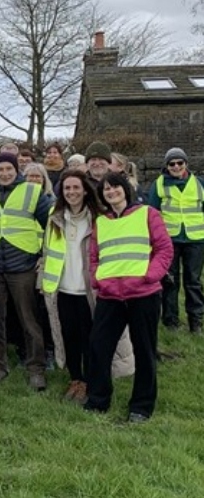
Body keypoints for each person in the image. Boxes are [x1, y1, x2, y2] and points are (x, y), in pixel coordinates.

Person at [84, 172, 173, 422]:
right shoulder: (101, 221)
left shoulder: (148, 214)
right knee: (99, 347)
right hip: (110, 296)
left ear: (125, 189)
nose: (111, 192)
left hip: (143, 294)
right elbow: (94, 257)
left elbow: (164, 249)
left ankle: (141, 406)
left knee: (144, 350)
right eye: (106, 190)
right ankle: (98, 400)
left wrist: (149, 276)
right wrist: (98, 279)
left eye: (115, 187)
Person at [40, 170, 124, 404]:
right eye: (67, 188)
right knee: (69, 336)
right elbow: (47, 251)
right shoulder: (54, 216)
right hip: (62, 288)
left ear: (85, 189)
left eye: (76, 187)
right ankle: (75, 378)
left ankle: (89, 379)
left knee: (92, 337)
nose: (71, 192)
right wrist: (43, 281)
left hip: (90, 289)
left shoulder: (99, 217)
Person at [0, 153, 53, 390]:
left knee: (29, 319)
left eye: (9, 169)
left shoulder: (32, 191)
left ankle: (36, 368)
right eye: (0, 170)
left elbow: (50, 224)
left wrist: (43, 255)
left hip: (24, 264)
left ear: (16, 170)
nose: (4, 174)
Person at [147, 147, 204, 333]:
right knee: (170, 281)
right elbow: (153, 212)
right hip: (168, 239)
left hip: (195, 239)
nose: (176, 166)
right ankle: (171, 321)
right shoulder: (159, 185)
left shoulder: (199, 184)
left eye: (180, 162)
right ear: (167, 166)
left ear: (186, 164)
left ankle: (196, 321)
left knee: (193, 281)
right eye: (172, 163)